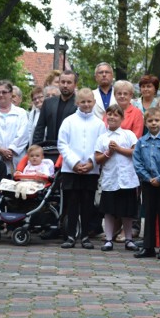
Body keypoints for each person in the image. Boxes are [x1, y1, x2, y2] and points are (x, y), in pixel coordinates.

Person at [57, 88, 106, 250]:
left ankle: (85, 235)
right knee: (72, 203)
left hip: (91, 170)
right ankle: (70, 235)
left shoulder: (99, 124)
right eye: (83, 102)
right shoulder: (69, 121)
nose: (86, 105)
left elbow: (101, 145)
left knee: (87, 203)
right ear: (77, 103)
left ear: (94, 102)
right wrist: (74, 162)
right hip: (71, 169)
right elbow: (62, 144)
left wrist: (92, 162)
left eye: (89, 101)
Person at [95, 104, 140, 252]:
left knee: (127, 211)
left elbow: (136, 152)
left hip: (127, 179)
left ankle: (128, 239)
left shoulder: (128, 134)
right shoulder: (102, 137)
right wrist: (108, 152)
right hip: (110, 178)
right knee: (109, 211)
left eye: (116, 115)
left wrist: (119, 149)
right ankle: (108, 239)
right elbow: (97, 158)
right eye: (110, 114)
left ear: (122, 118)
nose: (112, 117)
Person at [132, 107, 160, 259]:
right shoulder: (141, 142)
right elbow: (137, 163)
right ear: (145, 122)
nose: (153, 123)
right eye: (150, 121)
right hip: (147, 183)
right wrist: (148, 178)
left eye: (156, 120)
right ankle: (148, 246)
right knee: (148, 215)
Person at [0, 80, 29, 173]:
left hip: (16, 157)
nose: (1, 95)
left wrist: (11, 150)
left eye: (4, 92)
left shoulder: (21, 113)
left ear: (11, 93)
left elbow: (23, 135)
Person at [33, 70, 77, 144]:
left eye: (69, 82)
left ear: (75, 85)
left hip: (71, 149)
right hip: (51, 149)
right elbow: (39, 129)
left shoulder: (80, 104)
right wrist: (35, 149)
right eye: (63, 82)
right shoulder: (48, 103)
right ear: (59, 83)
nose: (65, 85)